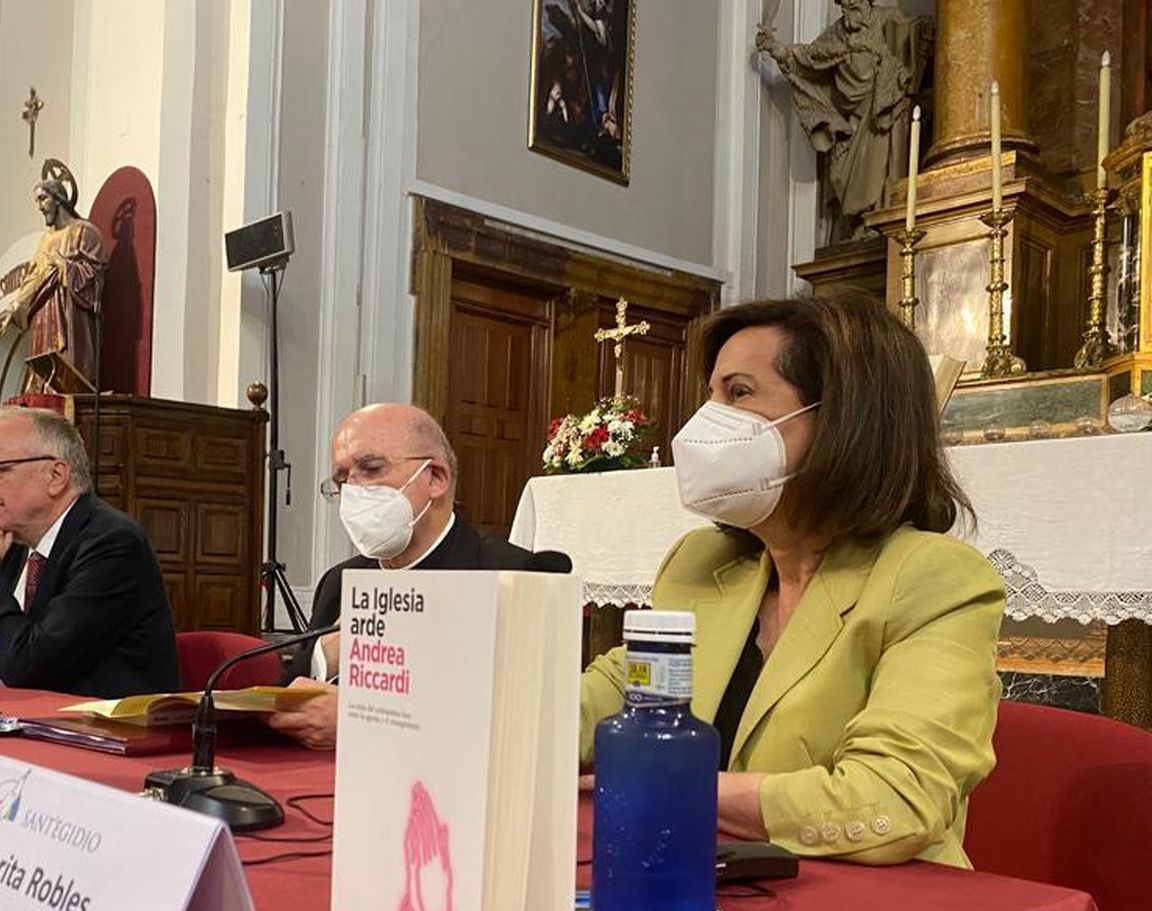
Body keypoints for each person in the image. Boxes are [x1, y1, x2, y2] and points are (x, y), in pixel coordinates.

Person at [580, 292, 1003, 867]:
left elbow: (897, 798)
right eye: (711, 395)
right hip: (711, 878)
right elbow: (612, 694)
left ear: (844, 419)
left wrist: (671, 786)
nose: (704, 425)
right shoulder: (701, 563)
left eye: (739, 393)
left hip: (868, 900)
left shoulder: (934, 579)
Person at [267, 404, 544, 750]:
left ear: (436, 478)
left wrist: (363, 720)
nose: (352, 491)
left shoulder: (511, 574)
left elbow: (527, 720)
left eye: (371, 469)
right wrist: (327, 654)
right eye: (341, 480)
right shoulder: (341, 581)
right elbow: (292, 698)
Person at [0, 406, 178, 698]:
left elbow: (28, 665)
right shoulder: (10, 543)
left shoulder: (113, 544)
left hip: (101, 723)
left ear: (56, 476)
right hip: (24, 715)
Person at [755, 0, 930, 241]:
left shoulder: (887, 20)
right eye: (845, 7)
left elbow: (913, 33)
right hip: (855, 120)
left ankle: (881, 218)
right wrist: (780, 51)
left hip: (882, 112)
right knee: (844, 174)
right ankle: (860, 223)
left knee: (884, 167)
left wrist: (923, 35)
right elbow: (810, 57)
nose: (849, 14)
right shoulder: (839, 33)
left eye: (854, 6)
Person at [0, 159, 105, 395]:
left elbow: (96, 278)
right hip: (44, 317)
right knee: (42, 376)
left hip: (69, 317)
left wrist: (64, 266)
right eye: (37, 201)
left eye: (43, 199)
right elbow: (34, 278)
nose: (40, 207)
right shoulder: (46, 240)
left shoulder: (84, 232)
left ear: (58, 199)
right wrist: (16, 306)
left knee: (67, 373)